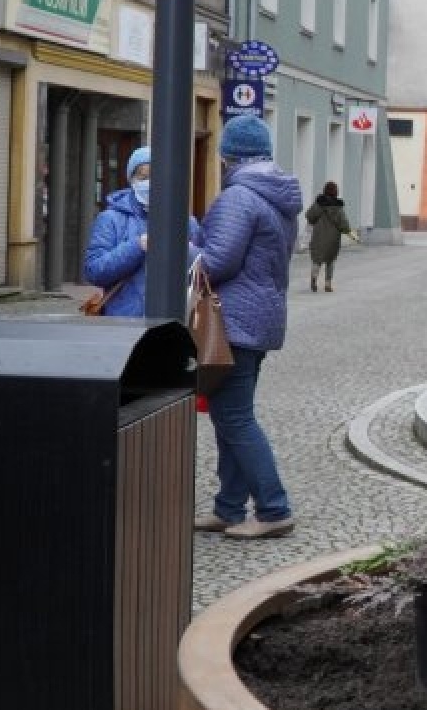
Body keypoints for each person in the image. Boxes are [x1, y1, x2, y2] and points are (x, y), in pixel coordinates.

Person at [193, 115, 304, 539]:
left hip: (233, 321)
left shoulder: (238, 196)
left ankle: (274, 509)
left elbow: (217, 262)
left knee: (234, 416)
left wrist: (181, 246)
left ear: (228, 156)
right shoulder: (277, 196)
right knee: (229, 415)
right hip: (258, 318)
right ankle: (229, 508)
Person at [82, 145, 200, 315]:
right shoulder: (111, 219)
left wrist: (187, 251)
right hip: (124, 323)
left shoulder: (185, 222)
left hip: (171, 321)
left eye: (157, 176)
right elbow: (93, 271)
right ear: (132, 180)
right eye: (143, 177)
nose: (150, 183)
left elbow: (200, 270)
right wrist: (137, 246)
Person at [305, 180, 358, 292]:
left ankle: (314, 279)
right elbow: (343, 224)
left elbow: (309, 216)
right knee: (330, 261)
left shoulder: (319, 204)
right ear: (336, 192)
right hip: (333, 239)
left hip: (318, 237)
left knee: (317, 260)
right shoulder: (338, 208)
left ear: (324, 190)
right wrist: (351, 234)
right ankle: (328, 284)